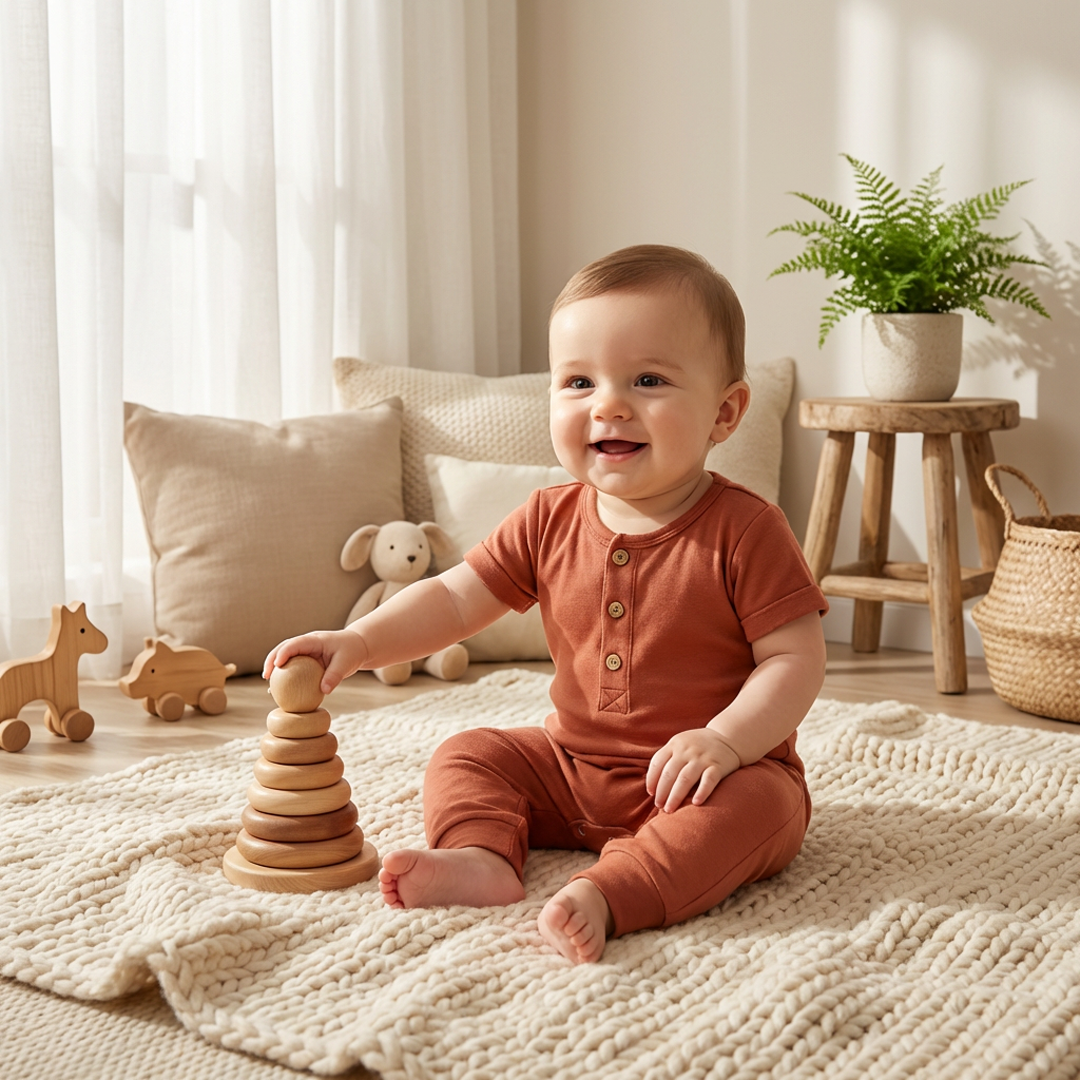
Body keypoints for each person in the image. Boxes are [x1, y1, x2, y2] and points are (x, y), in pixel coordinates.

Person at [264, 244, 828, 964]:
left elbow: (795, 659)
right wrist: (361, 643)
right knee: (469, 754)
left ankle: (613, 890)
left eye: (648, 379)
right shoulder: (547, 517)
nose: (609, 405)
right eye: (579, 381)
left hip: (706, 777)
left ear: (726, 412)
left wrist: (725, 740)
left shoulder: (746, 530)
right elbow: (454, 597)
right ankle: (483, 858)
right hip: (568, 770)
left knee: (761, 811)